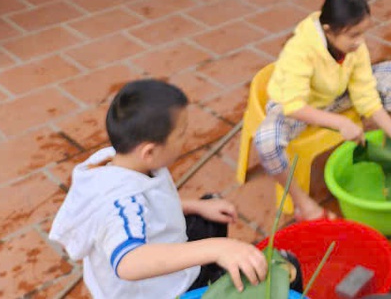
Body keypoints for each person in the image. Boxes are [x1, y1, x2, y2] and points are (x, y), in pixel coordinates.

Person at [49, 79, 268, 299]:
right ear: (150, 152)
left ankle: (212, 262)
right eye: (181, 134)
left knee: (212, 216)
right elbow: (129, 262)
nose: (187, 138)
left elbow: (149, 206)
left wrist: (196, 206)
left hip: (164, 250)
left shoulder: (121, 159)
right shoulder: (120, 203)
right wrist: (217, 248)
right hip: (156, 291)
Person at [253, 0, 391, 221]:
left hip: (335, 97)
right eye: (353, 35)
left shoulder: (354, 47)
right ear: (328, 31)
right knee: (265, 141)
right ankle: (305, 205)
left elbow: (367, 97)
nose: (360, 42)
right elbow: (293, 105)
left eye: (363, 33)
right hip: (298, 107)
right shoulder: (300, 48)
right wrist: (338, 122)